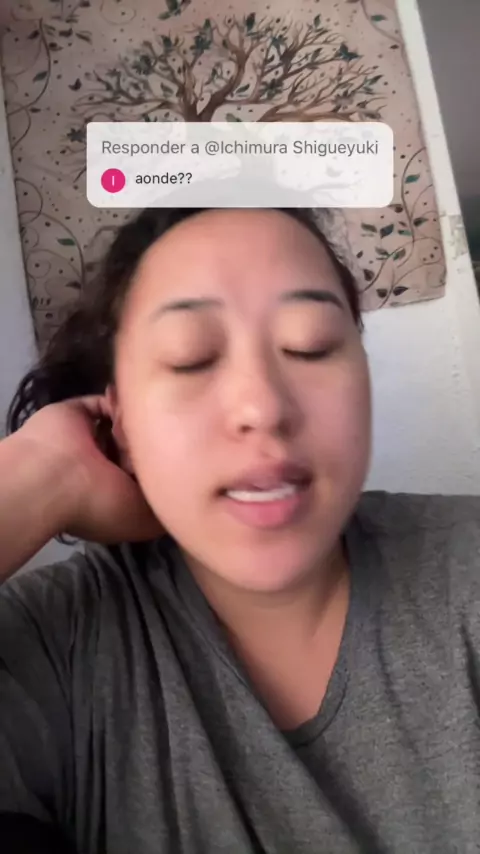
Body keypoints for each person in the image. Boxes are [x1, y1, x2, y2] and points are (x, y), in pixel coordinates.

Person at [0, 206, 479, 854]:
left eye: (311, 345)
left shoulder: (466, 569)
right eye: (191, 358)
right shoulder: (53, 645)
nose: (263, 406)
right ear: (120, 421)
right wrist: (39, 473)